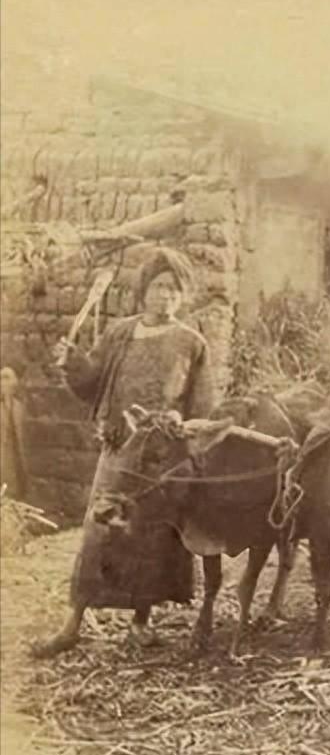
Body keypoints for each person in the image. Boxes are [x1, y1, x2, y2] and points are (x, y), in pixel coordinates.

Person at [32, 247, 214, 658]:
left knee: (150, 538)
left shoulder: (192, 343)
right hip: (118, 450)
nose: (166, 296)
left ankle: (140, 624)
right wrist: (71, 362)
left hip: (158, 460)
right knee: (100, 531)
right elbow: (90, 381)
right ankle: (72, 624)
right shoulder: (120, 333)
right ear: (143, 291)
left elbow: (201, 408)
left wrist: (180, 422)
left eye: (174, 290)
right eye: (159, 287)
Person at [0, 367, 29, 503]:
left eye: (7, 378)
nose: (2, 382)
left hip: (14, 461)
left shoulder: (19, 407)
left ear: (15, 382)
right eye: (1, 378)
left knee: (12, 497)